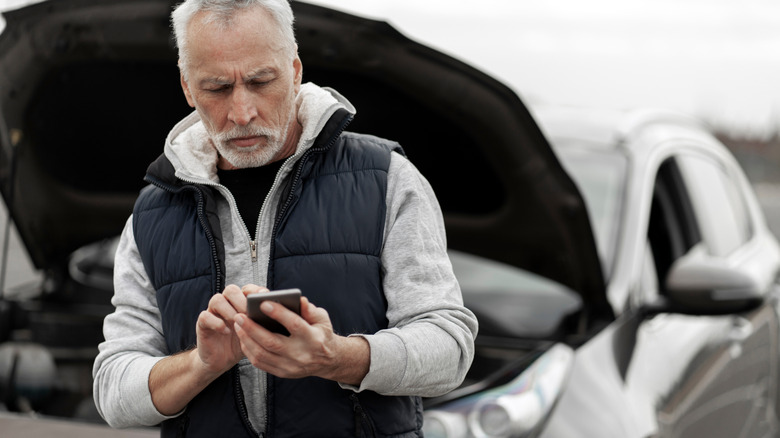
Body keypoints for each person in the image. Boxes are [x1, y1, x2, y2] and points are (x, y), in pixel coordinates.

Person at [92, 0, 478, 436]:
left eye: (261, 81)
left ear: (295, 71)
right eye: (217, 88)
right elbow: (113, 393)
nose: (242, 112)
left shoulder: (387, 178)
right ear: (187, 87)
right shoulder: (152, 212)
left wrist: (337, 356)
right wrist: (202, 364)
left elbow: (450, 349)